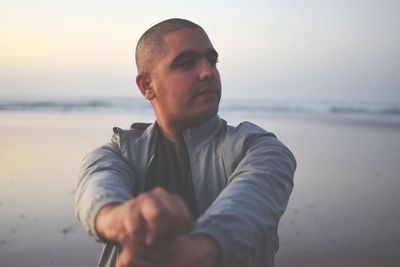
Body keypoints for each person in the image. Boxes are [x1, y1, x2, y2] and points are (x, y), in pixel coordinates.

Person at [75, 18, 296, 267]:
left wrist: (199, 249)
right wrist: (119, 218)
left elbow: (254, 196)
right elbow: (96, 184)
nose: (209, 72)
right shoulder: (120, 152)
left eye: (212, 61)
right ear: (147, 86)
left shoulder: (257, 148)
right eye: (187, 63)